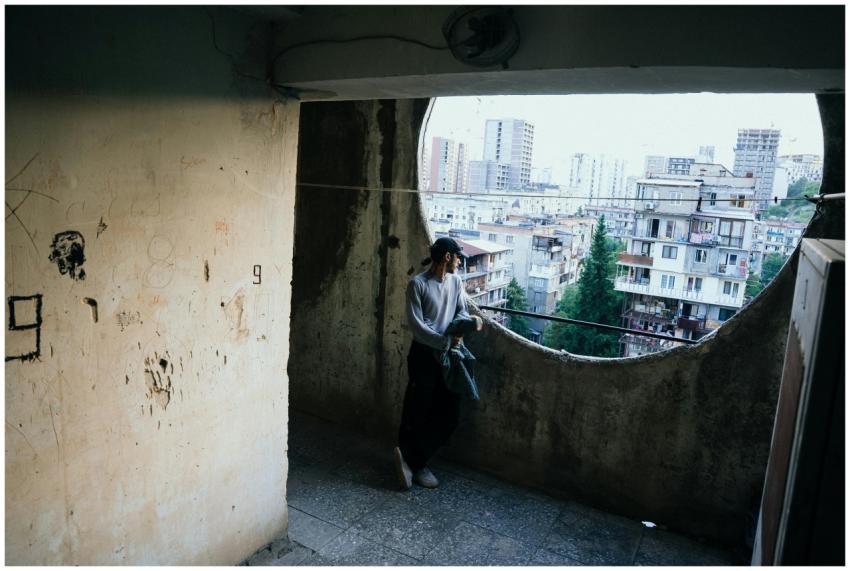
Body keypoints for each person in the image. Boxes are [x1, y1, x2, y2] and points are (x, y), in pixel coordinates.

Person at [394, 236, 482, 490]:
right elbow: (417, 326)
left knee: (449, 414)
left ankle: (413, 461)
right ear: (447, 257)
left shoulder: (455, 282)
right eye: (457, 257)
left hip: (448, 357)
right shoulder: (417, 285)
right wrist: (445, 342)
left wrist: (466, 325)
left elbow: (461, 311)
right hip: (423, 354)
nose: (459, 262)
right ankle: (413, 462)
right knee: (417, 408)